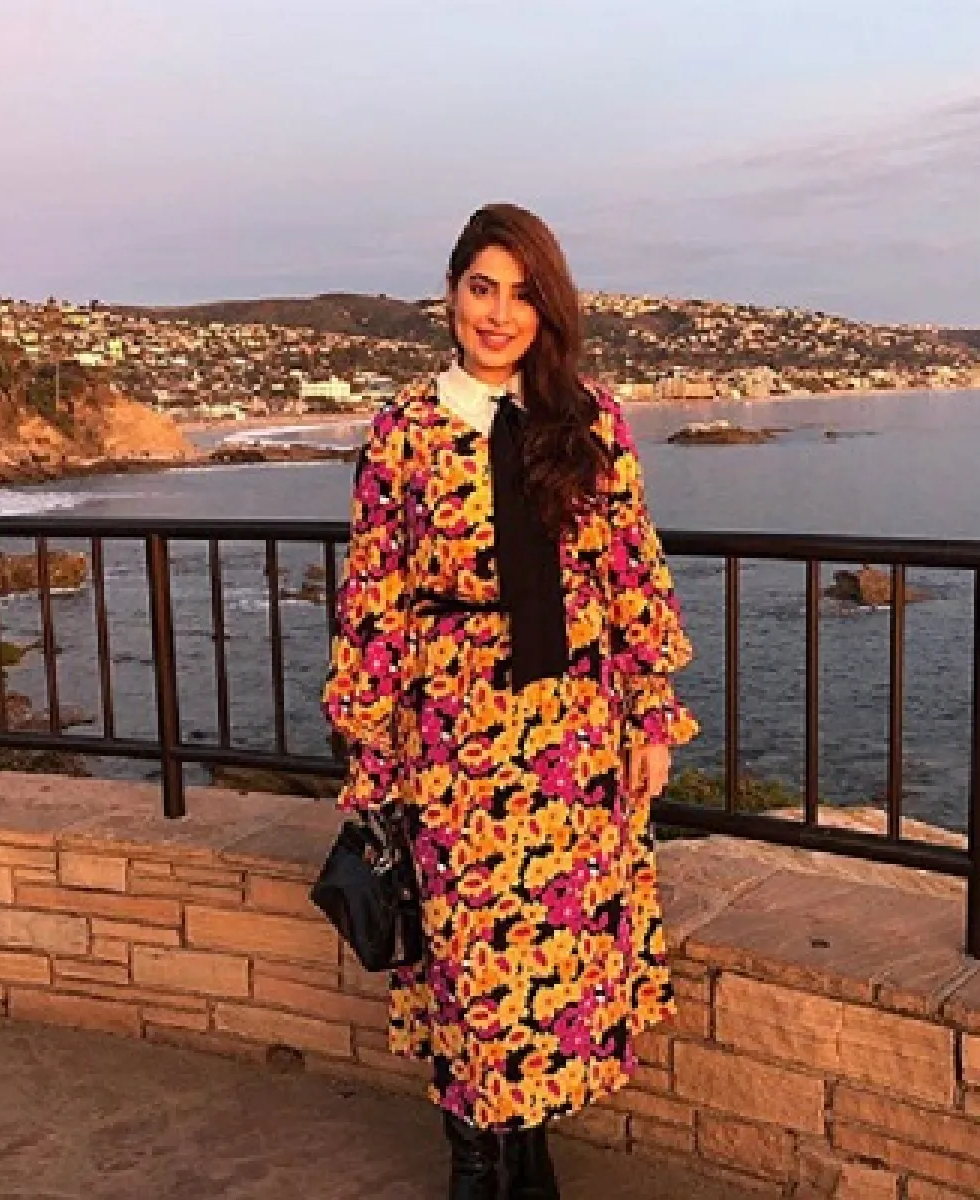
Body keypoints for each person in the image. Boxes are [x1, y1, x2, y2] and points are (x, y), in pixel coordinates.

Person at [322, 203, 697, 1200]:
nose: (498, 314)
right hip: (452, 733)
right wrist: (371, 752)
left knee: (556, 959)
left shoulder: (590, 420)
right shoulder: (404, 430)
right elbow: (374, 597)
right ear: (451, 294)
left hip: (573, 733)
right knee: (467, 958)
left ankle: (528, 1152)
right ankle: (477, 1160)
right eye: (481, 288)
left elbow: (631, 573)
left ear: (548, 307)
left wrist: (651, 717)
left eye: (522, 294)